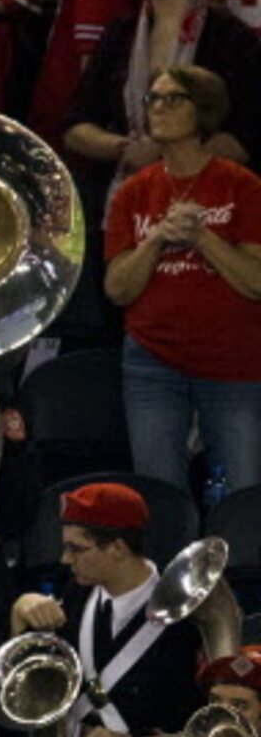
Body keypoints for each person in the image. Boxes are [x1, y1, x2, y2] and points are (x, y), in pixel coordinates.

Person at [103, 63, 261, 499]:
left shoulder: (242, 187)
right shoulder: (132, 192)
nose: (159, 108)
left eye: (174, 99)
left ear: (204, 111)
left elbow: (256, 282)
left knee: (243, 493)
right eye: (153, 98)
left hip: (233, 363)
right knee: (158, 493)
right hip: (152, 362)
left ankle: (241, 569)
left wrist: (201, 237)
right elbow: (117, 289)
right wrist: (155, 240)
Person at [65, 0, 261, 190]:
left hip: (209, 199)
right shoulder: (120, 34)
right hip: (125, 199)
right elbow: (75, 126)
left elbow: (249, 135)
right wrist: (123, 148)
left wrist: (173, 156)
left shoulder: (230, 38)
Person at [11, 481, 204, 737]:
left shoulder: (181, 620)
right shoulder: (75, 593)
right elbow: (32, 689)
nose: (65, 559)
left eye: (76, 549)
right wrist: (20, 611)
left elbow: (193, 725)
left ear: (117, 548)